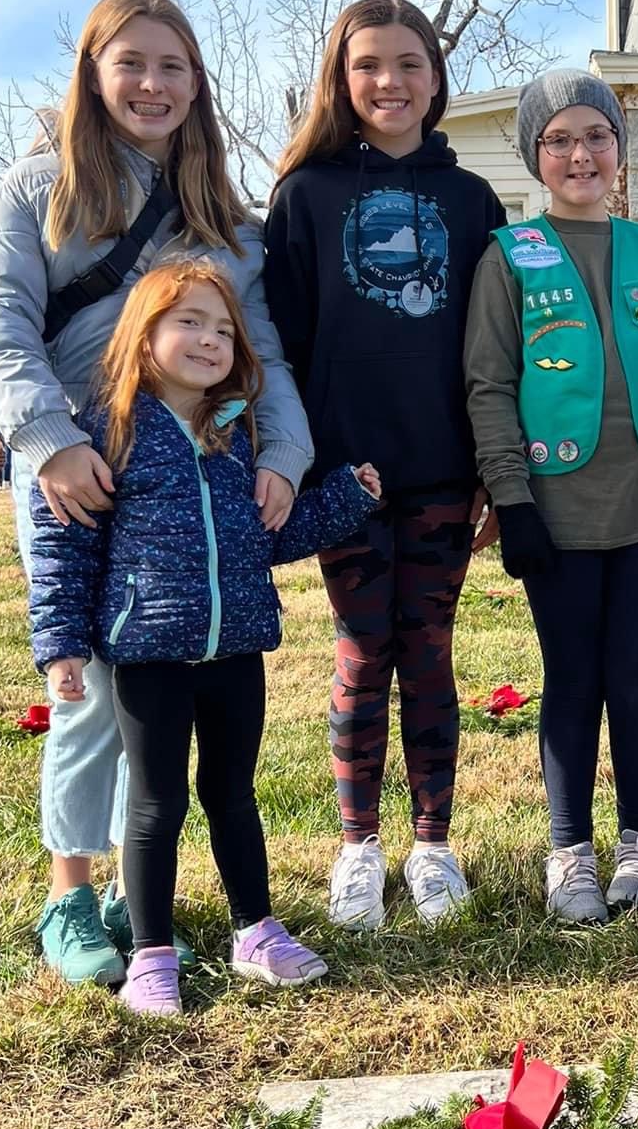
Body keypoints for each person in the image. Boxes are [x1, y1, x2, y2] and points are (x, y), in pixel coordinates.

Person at [0, 0, 313, 986]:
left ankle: (135, 892)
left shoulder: (226, 226)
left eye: (173, 66)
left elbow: (268, 357)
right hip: (76, 473)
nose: (152, 84)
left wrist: (283, 458)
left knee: (153, 699)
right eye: (131, 63)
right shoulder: (41, 191)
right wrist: (47, 439)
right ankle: (71, 893)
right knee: (86, 694)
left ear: (197, 85)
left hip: (183, 479)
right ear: (92, 71)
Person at [28, 263, 379, 1015]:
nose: (210, 339)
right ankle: (152, 953)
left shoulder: (234, 439)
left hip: (236, 654)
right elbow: (66, 550)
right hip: (149, 659)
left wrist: (347, 497)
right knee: (156, 804)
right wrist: (59, 645)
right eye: (189, 321)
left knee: (232, 794)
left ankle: (255, 929)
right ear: (143, 333)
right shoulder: (103, 435)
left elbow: (265, 536)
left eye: (224, 329)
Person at [264, 0, 506, 933]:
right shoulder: (307, 193)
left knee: (431, 651)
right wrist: (288, 460)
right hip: (344, 477)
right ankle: (358, 847)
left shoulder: (471, 200)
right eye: (369, 65)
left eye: (409, 64)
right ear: (342, 77)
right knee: (365, 652)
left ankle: (434, 844)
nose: (390, 83)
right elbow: (278, 340)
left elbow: (494, 351)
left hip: (445, 467)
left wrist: (491, 464)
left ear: (436, 78)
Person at [464, 70, 638, 922]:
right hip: (557, 506)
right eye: (561, 140)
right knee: (572, 676)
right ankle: (570, 850)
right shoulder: (510, 257)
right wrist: (513, 498)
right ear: (537, 155)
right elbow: (489, 384)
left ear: (618, 148)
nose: (581, 154)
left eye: (597, 136)